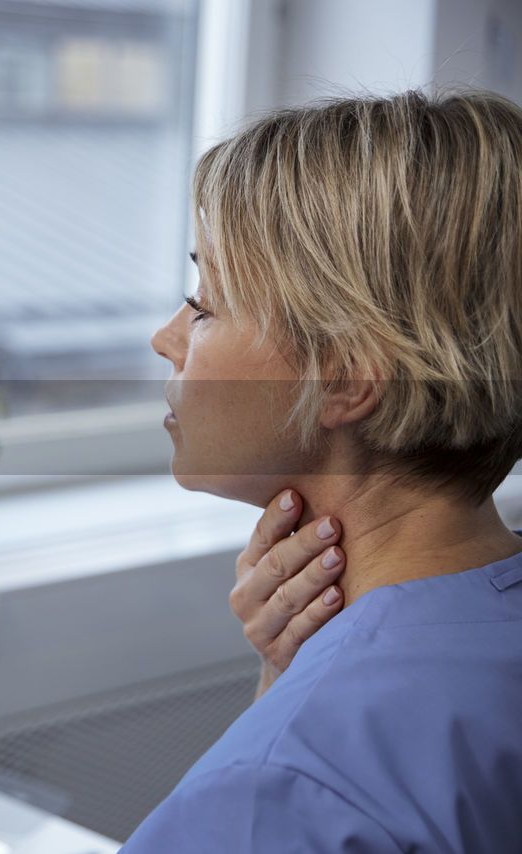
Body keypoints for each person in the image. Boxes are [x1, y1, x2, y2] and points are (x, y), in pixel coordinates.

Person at [122, 89, 522, 851]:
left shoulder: (285, 786)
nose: (165, 337)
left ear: (345, 379)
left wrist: (294, 722)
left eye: (203, 305)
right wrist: (293, 682)